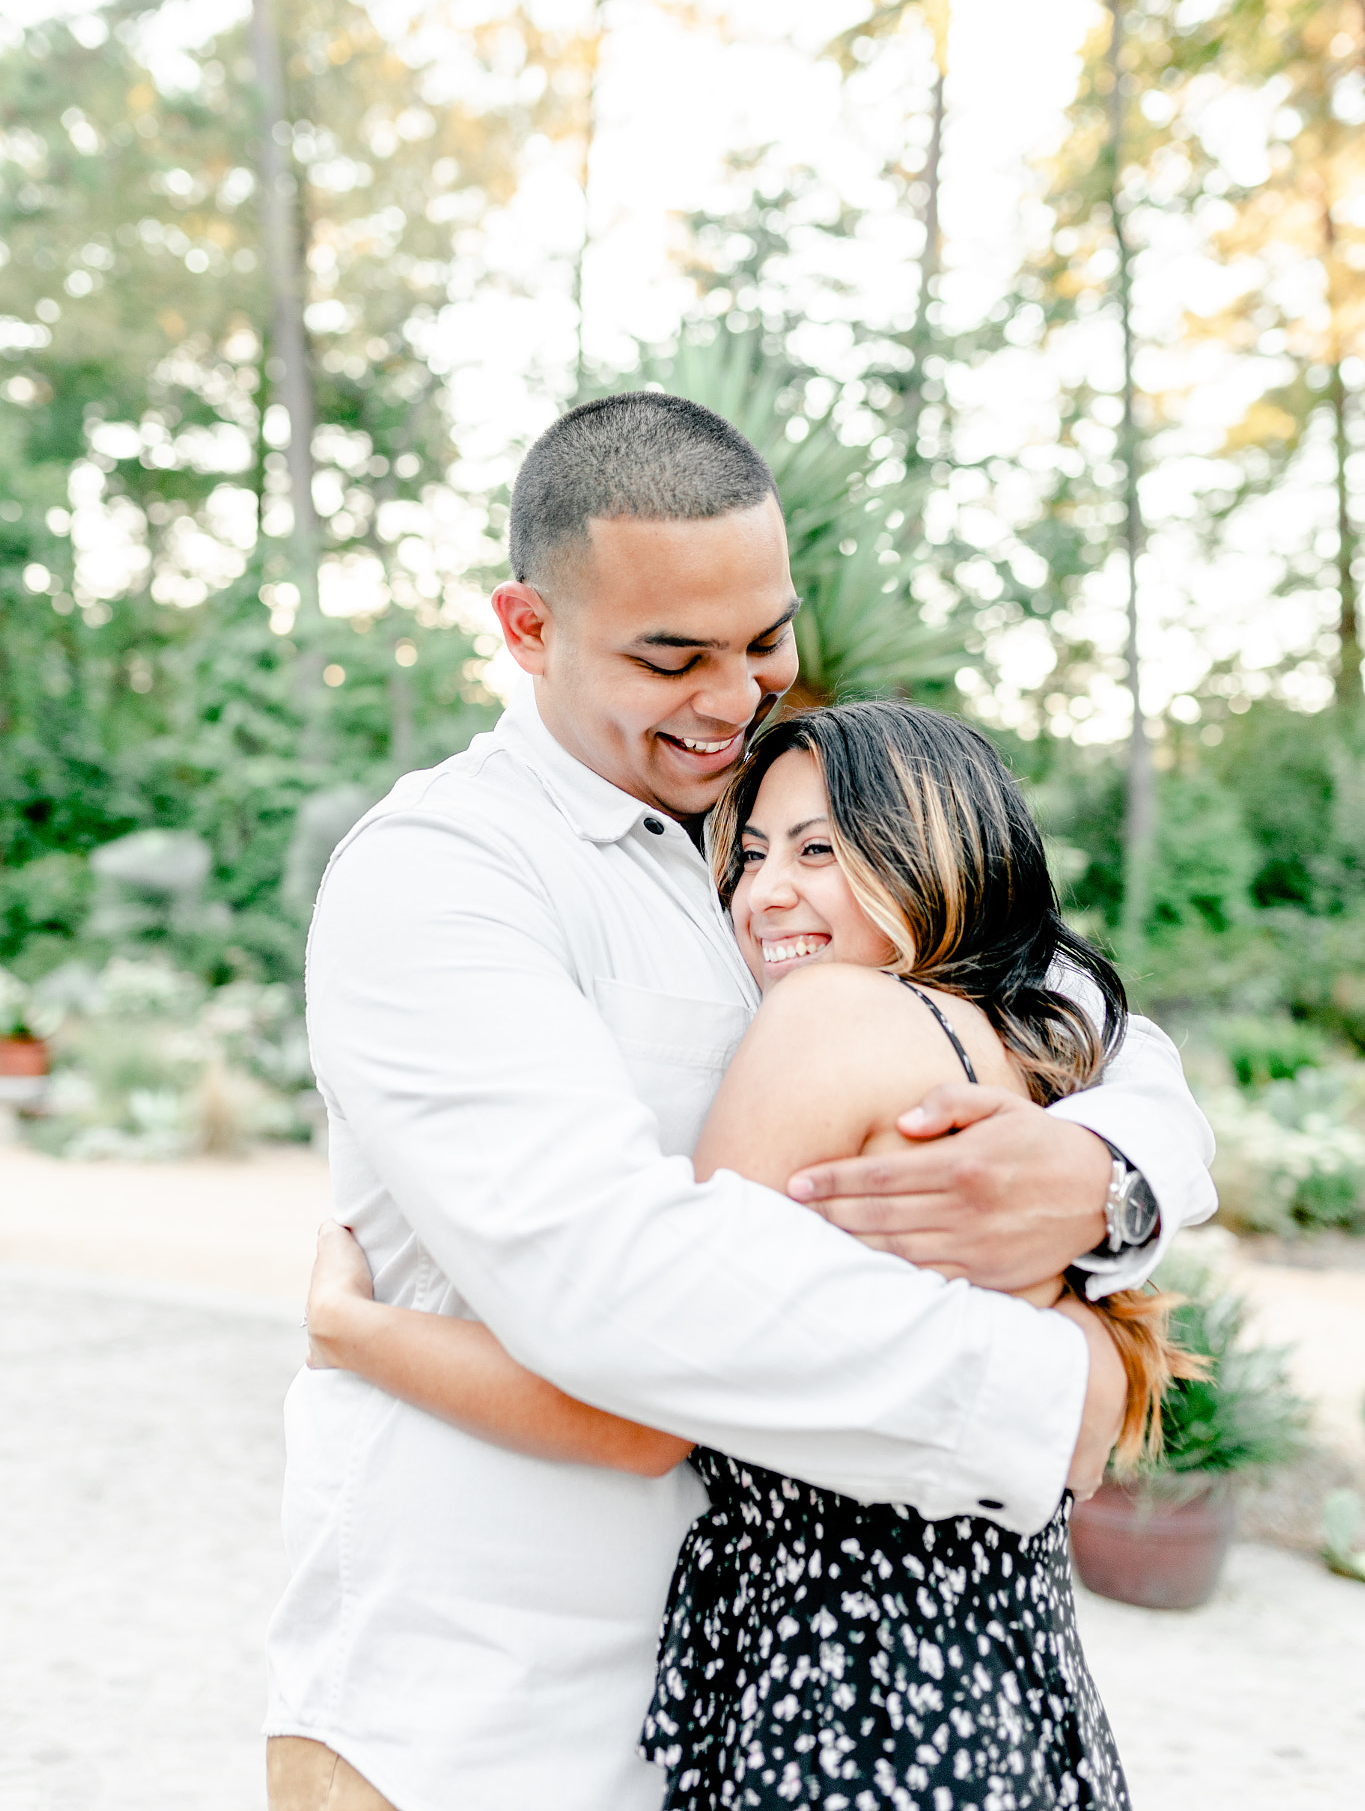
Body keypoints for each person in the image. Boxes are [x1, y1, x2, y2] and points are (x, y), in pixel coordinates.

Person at [264, 391, 1216, 1811]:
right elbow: (614, 1288)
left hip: (719, 1708)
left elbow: (1087, 1027)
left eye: (763, 641)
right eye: (672, 658)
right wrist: (1047, 1390)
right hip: (472, 1711)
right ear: (526, 629)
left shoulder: (765, 843)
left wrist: (1102, 1177)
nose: (732, 697)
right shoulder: (444, 875)